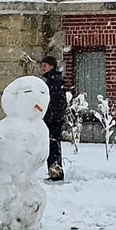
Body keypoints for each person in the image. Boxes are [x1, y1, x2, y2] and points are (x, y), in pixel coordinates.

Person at [40, 54, 68, 182]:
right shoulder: (53, 80)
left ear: (51, 67)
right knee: (53, 145)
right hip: (53, 118)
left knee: (53, 146)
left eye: (45, 66)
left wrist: (50, 116)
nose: (43, 68)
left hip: (53, 119)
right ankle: (54, 172)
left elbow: (56, 102)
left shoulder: (54, 81)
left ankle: (56, 173)